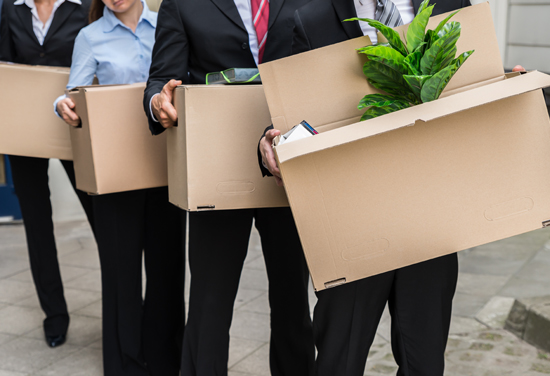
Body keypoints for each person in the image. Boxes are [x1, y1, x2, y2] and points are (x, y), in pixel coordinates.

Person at [259, 1, 527, 375]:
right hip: (351, 219)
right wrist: (267, 143)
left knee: (425, 362)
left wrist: (507, 87)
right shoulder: (307, 13)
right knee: (339, 359)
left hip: (431, 215)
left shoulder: (450, 5)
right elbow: (275, 106)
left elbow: (472, 80)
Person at [143, 0, 315, 374]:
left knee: (293, 300)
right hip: (215, 166)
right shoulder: (181, 5)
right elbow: (160, 80)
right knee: (210, 301)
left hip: (288, 163)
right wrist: (158, 102)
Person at [54, 0, 186, 374]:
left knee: (167, 268)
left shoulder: (168, 23)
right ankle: (126, 362)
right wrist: (62, 105)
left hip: (166, 164)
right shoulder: (90, 36)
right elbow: (73, 94)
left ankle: (164, 359)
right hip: (114, 172)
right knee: (120, 273)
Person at [0, 0, 94, 348]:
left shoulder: (83, 7)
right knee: (37, 227)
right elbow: (6, 69)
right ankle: (54, 315)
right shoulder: (12, 8)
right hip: (24, 133)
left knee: (100, 217)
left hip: (74, 125)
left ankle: (122, 306)